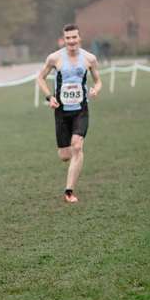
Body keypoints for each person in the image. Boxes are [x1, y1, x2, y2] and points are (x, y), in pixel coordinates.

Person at [37, 23, 102, 203]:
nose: (71, 41)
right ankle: (71, 158)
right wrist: (50, 97)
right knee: (65, 155)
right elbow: (40, 78)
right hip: (61, 111)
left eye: (74, 37)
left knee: (78, 146)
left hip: (81, 109)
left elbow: (98, 81)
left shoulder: (89, 58)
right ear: (63, 39)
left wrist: (96, 89)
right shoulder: (54, 58)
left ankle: (69, 191)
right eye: (68, 38)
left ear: (79, 38)